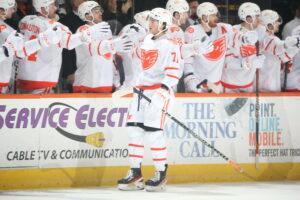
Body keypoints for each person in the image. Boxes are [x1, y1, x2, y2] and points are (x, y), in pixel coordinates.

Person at [117, 8, 181, 192]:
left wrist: (161, 94)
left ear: (164, 24)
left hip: (159, 93)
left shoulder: (170, 44)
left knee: (154, 133)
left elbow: (173, 73)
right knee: (133, 130)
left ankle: (161, 173)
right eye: (150, 20)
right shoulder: (146, 40)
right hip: (141, 92)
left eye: (154, 21)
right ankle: (135, 172)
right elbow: (142, 69)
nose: (150, 23)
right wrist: (134, 86)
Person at [16, 0, 108, 94]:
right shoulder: (56, 26)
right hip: (42, 79)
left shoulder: (24, 20)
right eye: (52, 6)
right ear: (43, 9)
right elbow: (69, 43)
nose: (56, 8)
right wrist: (84, 35)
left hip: (22, 78)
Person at [184, 2, 258, 93]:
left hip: (215, 84)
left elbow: (237, 35)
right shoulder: (191, 31)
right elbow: (187, 58)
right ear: (204, 18)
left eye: (216, 15)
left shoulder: (223, 28)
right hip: (197, 82)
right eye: (213, 15)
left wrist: (246, 37)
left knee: (215, 106)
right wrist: (189, 76)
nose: (216, 18)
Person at [0, 0, 61, 94]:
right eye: (11, 8)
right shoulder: (8, 31)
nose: (13, 11)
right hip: (8, 78)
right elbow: (20, 51)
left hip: (12, 77)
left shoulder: (21, 22)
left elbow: (20, 51)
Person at [73, 1, 132, 93]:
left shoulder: (106, 31)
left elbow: (110, 58)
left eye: (100, 11)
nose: (100, 13)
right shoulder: (83, 31)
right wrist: (113, 45)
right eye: (96, 11)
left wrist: (116, 82)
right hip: (87, 85)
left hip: (105, 84)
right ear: (87, 16)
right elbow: (93, 49)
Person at [221, 2, 266, 93]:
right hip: (231, 84)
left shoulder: (259, 31)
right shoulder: (232, 33)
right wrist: (245, 63)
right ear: (248, 18)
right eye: (256, 16)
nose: (259, 19)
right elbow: (225, 62)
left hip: (248, 84)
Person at [258, 10, 299, 92]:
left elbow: (282, 58)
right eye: (276, 22)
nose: (278, 24)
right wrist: (289, 42)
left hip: (272, 82)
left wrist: (295, 47)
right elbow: (277, 47)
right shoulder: (263, 37)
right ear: (269, 24)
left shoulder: (271, 37)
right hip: (264, 85)